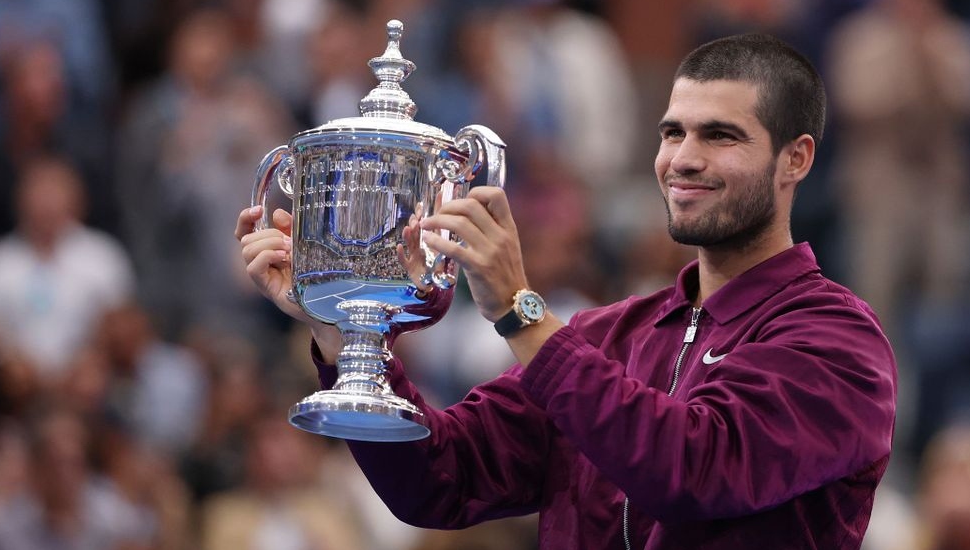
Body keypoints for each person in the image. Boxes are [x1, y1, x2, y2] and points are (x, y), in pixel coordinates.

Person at [237, 33, 898, 548]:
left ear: (797, 159)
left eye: (720, 135)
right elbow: (441, 480)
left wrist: (520, 310)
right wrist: (340, 329)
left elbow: (693, 470)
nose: (684, 159)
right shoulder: (607, 337)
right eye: (673, 132)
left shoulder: (837, 343)